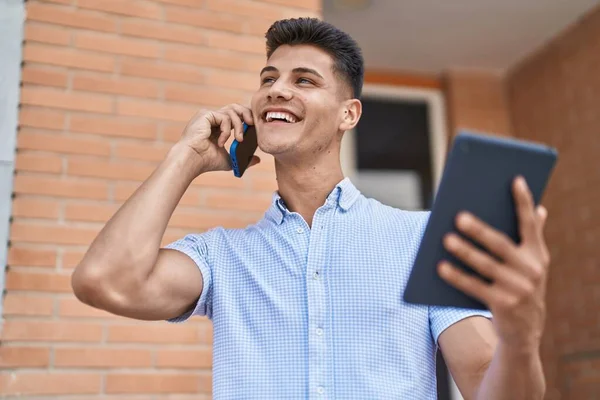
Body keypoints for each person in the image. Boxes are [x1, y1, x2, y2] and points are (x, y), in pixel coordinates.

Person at [72, 17, 550, 399]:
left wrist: (521, 338)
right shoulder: (222, 257)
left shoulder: (422, 239)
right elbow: (105, 280)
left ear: (349, 114)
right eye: (268, 79)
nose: (276, 90)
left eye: (304, 80)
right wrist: (186, 157)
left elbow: (489, 384)